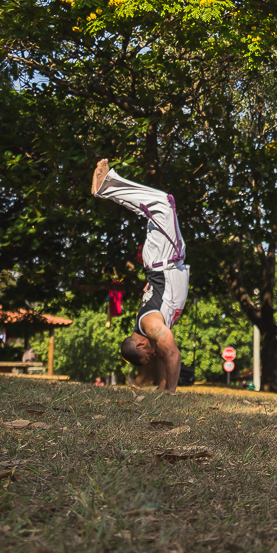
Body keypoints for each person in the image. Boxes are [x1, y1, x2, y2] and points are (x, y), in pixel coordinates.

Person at [91, 159, 189, 394]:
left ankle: (106, 187)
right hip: (163, 258)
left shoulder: (150, 325)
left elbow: (172, 354)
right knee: (152, 211)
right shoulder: (150, 326)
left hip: (162, 258)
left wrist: (172, 395)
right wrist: (163, 391)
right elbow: (166, 359)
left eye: (147, 356)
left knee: (164, 204)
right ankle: (107, 189)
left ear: (141, 344)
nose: (153, 355)